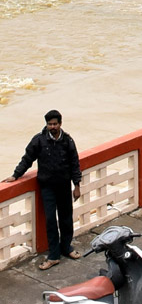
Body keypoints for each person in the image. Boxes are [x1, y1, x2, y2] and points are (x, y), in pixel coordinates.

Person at [4, 110, 82, 270]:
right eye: (49, 124)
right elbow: (27, 159)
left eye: (54, 124)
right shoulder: (39, 140)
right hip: (47, 187)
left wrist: (77, 185)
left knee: (66, 218)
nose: (52, 127)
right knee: (51, 221)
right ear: (46, 124)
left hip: (64, 186)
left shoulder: (68, 141)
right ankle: (53, 255)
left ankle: (66, 248)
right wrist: (15, 175)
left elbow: (75, 163)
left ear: (60, 124)